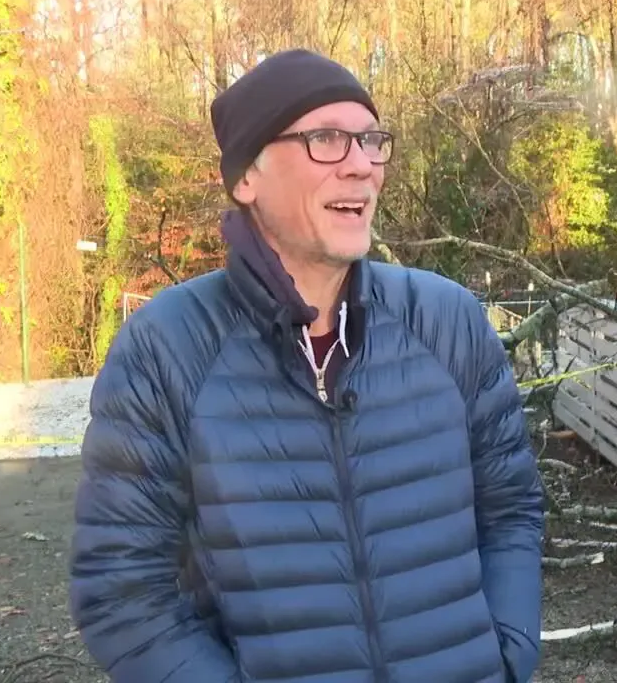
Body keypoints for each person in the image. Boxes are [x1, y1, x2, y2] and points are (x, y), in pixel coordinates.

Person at [67, 49, 545, 683]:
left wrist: (509, 653)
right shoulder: (167, 349)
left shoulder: (446, 321)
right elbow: (121, 587)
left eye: (372, 141)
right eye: (325, 139)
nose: (362, 165)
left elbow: (509, 509)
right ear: (247, 178)